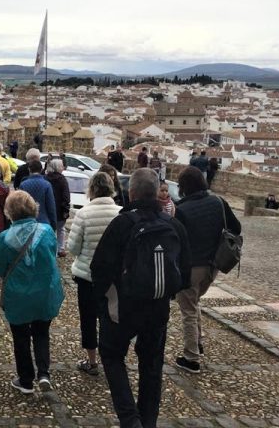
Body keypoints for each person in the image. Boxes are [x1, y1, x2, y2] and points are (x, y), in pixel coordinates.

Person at [90, 168, 191, 428]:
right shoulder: (174, 226)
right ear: (157, 192)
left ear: (131, 193)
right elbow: (185, 274)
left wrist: (105, 302)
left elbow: (99, 268)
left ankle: (129, 418)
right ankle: (147, 422)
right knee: (151, 365)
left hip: (122, 307)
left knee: (112, 356)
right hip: (157, 309)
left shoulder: (122, 224)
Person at [0, 190, 64, 394]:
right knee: (42, 333)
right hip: (45, 291)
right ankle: (44, 373)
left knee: (21, 336)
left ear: (10, 212)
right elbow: (52, 255)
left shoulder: (4, 237)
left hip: (18, 295)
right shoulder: (47, 231)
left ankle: (26, 380)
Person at [174, 166, 241, 374]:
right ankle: (198, 343)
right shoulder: (218, 202)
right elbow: (236, 228)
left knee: (188, 311)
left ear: (184, 187)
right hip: (213, 266)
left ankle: (191, 358)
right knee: (194, 304)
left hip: (191, 268)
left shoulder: (181, 210)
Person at [66, 172, 121, 376]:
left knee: (88, 319)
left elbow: (72, 247)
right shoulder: (120, 212)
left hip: (87, 276)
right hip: (114, 278)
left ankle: (92, 360)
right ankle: (112, 358)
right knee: (111, 317)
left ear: (92, 189)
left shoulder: (84, 214)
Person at [19, 161, 56, 230]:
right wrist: (53, 224)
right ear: (41, 170)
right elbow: (51, 207)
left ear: (29, 169)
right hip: (43, 224)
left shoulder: (23, 185)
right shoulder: (47, 185)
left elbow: (20, 206)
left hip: (27, 224)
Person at [45, 159, 70, 257]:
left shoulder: (46, 178)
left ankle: (50, 249)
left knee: (50, 230)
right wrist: (66, 207)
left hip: (48, 208)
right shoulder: (62, 179)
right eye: (62, 166)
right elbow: (66, 196)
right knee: (61, 229)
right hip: (60, 209)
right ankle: (60, 249)